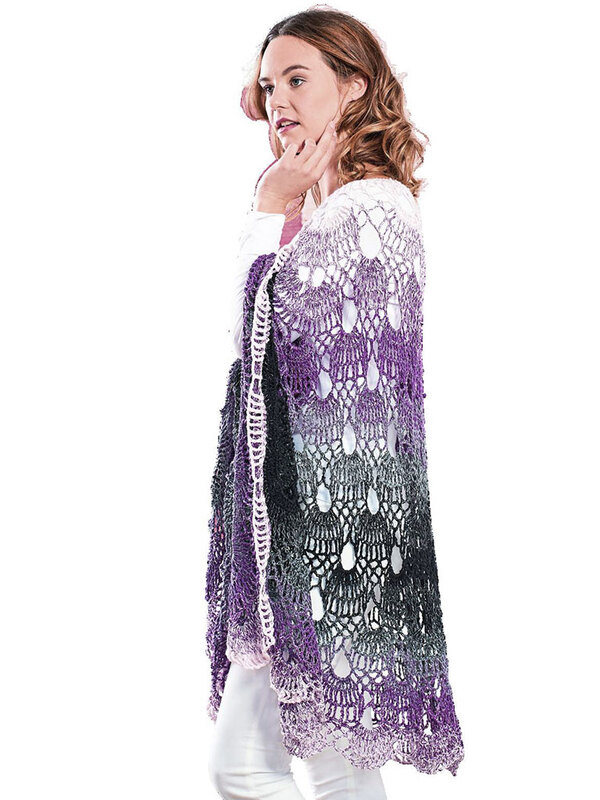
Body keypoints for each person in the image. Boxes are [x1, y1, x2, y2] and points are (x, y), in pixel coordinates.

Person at [205, 7, 465, 798]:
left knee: (269, 767)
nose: (278, 99)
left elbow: (264, 331)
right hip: (312, 538)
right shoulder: (325, 210)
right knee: (324, 769)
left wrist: (267, 206)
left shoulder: (370, 210)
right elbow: (258, 349)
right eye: (267, 85)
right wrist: (283, 201)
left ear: (353, 87)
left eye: (298, 79)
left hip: (329, 541)